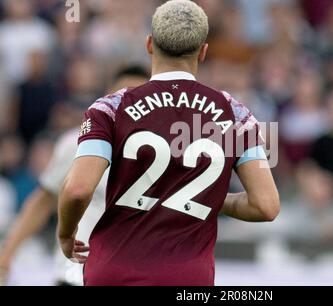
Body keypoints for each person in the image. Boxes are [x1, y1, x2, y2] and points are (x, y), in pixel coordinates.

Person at [58, 0, 280, 286]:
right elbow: (266, 206)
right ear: (203, 52)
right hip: (187, 277)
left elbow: (77, 190)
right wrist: (203, 197)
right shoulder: (234, 113)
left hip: (112, 271)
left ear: (149, 44)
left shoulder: (109, 108)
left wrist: (66, 233)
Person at [0, 66, 149, 286]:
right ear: (109, 95)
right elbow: (43, 201)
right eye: (123, 94)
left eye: (138, 96)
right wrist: (7, 254)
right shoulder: (77, 143)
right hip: (76, 273)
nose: (131, 104)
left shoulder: (164, 154)